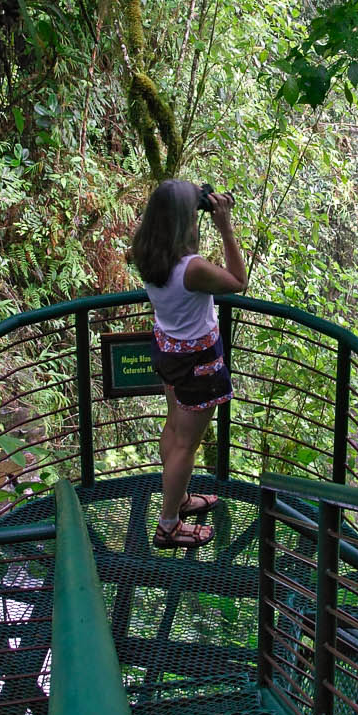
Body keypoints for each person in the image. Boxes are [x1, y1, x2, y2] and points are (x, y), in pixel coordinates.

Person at [128, 179, 248, 549]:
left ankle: (177, 498)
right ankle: (168, 526)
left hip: (168, 350)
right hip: (197, 363)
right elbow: (238, 281)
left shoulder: (147, 250)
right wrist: (225, 225)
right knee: (187, 444)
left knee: (175, 429)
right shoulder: (192, 269)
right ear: (185, 221)